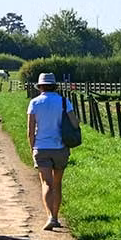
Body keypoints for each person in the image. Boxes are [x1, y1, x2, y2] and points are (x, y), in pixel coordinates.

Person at [27, 72, 79, 230]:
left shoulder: (34, 103)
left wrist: (32, 147)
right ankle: (55, 216)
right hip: (60, 147)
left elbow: (29, 130)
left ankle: (50, 217)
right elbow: (75, 124)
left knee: (46, 183)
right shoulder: (64, 102)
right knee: (57, 183)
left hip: (41, 147)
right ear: (54, 85)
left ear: (40, 86)